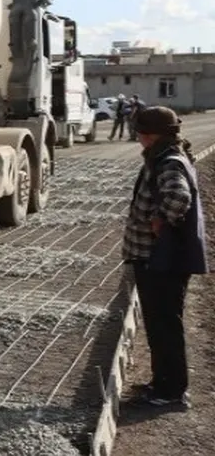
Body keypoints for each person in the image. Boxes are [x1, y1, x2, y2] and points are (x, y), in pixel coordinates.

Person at [122, 106, 208, 410]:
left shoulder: (168, 162)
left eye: (141, 132)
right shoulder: (165, 156)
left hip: (160, 260)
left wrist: (159, 220)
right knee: (160, 324)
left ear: (152, 135)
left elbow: (179, 196)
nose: (138, 137)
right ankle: (162, 382)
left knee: (165, 324)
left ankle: (171, 391)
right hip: (156, 258)